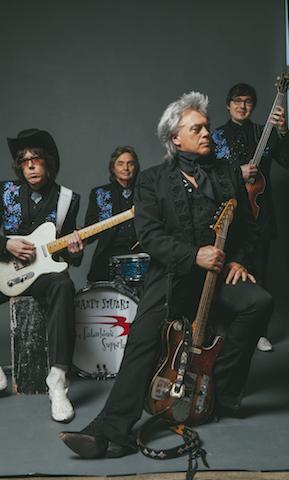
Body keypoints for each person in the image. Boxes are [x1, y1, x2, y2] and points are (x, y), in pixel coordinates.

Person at [59, 92, 274, 458]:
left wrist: (239, 261)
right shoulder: (151, 180)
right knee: (143, 335)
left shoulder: (227, 173)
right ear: (175, 137)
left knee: (260, 302)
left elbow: (249, 230)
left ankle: (217, 393)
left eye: (207, 127)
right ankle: (112, 429)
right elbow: (153, 237)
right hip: (173, 277)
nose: (207, 133)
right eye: (197, 128)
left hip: (220, 276)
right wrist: (195, 255)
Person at [0, 129, 85, 423]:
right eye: (24, 161)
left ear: (48, 163)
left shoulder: (68, 199)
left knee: (63, 284)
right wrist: (5, 244)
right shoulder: (6, 192)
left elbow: (72, 257)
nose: (30, 165)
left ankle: (58, 381)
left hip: (46, 277)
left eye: (36, 159)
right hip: (7, 273)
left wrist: (74, 250)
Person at [211, 83, 289, 352]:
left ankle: (260, 333)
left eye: (247, 101)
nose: (242, 105)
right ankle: (225, 330)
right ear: (228, 104)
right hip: (226, 216)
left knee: (259, 273)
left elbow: (287, 160)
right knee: (224, 272)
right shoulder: (215, 136)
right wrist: (237, 174)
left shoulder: (263, 133)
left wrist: (283, 130)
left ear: (253, 106)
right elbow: (207, 173)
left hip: (259, 214)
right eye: (237, 100)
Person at [84, 145, 141, 282]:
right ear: (113, 168)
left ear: (136, 167)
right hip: (108, 257)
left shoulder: (146, 192)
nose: (125, 168)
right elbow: (90, 232)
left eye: (130, 163)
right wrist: (81, 235)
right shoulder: (100, 194)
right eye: (120, 164)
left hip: (141, 255)